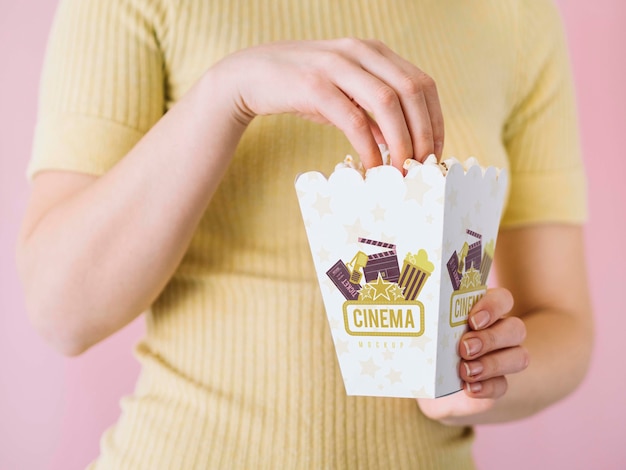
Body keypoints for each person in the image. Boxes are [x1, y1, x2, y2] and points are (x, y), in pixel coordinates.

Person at [16, 0, 593, 468]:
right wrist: (226, 93)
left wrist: (481, 375)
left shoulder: (516, 14)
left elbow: (562, 322)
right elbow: (61, 312)